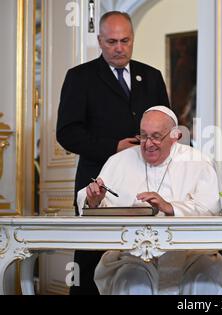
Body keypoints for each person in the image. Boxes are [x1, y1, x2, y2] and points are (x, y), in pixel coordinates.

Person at [56, 11, 170, 294]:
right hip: (97, 184)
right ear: (99, 41)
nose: (119, 48)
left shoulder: (152, 76)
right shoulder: (80, 77)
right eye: (111, 42)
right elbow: (67, 133)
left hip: (145, 182)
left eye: (125, 41)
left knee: (143, 254)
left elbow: (168, 123)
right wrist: (113, 146)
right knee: (90, 257)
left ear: (132, 40)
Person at [77, 106, 222, 295]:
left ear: (175, 136)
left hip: (192, 254)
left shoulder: (198, 162)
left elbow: (211, 208)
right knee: (132, 282)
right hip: (133, 255)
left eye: (156, 136)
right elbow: (94, 205)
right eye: (143, 135)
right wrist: (94, 200)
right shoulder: (118, 161)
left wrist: (170, 207)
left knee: (204, 282)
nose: (148, 143)